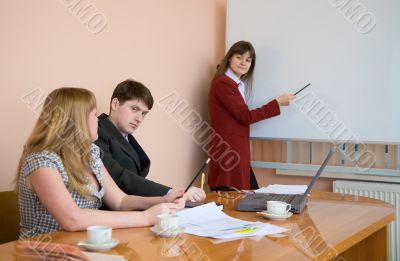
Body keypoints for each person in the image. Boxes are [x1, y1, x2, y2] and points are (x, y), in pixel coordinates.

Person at [17, 87, 185, 239]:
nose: (98, 120)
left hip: (85, 246)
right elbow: (72, 219)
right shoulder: (41, 160)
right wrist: (146, 217)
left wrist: (162, 200)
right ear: (76, 120)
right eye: (93, 114)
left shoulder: (90, 153)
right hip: (44, 251)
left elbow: (120, 201)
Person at [94, 79, 205, 202]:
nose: (139, 118)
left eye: (144, 113)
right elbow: (119, 176)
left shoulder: (125, 135)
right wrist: (171, 193)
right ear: (115, 104)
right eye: (134, 109)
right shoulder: (96, 131)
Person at [208, 40, 294, 190]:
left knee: (249, 198)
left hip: (236, 152)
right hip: (229, 153)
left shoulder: (234, 84)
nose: (243, 62)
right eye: (239, 57)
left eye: (248, 60)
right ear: (229, 58)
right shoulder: (224, 83)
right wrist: (277, 103)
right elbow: (245, 116)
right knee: (235, 202)